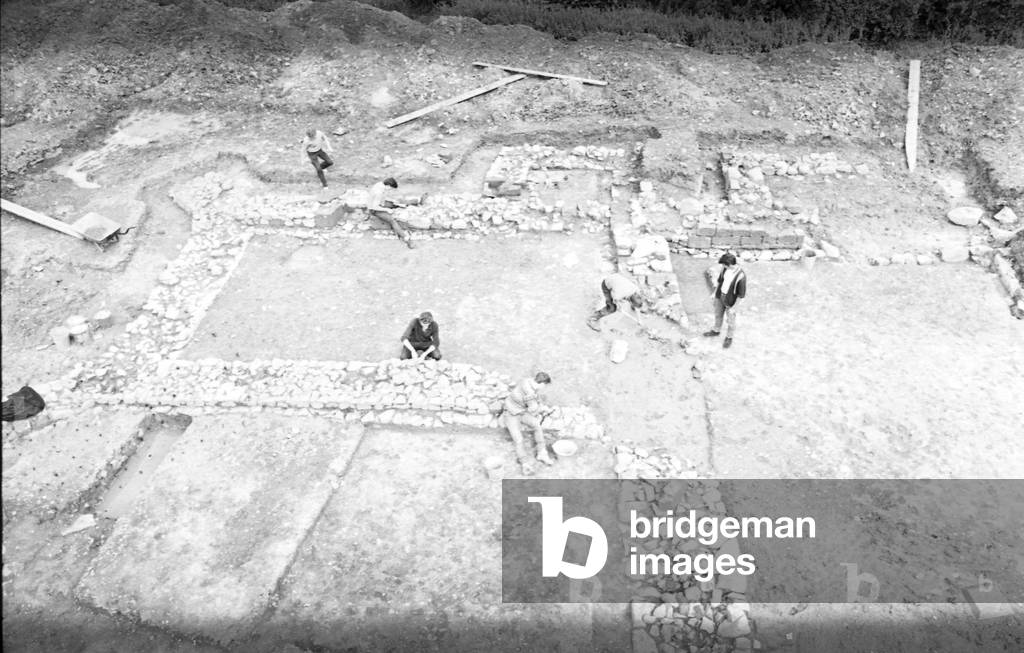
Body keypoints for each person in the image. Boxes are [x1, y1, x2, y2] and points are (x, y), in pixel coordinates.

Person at [501, 372, 553, 475]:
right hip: (511, 414)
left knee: (537, 425)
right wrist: (543, 408)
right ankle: (524, 464)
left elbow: (534, 399)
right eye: (545, 385)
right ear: (542, 384)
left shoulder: (527, 381)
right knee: (519, 440)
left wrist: (538, 404)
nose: (544, 388)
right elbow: (533, 409)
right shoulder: (530, 394)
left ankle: (542, 453)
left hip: (521, 411)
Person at [703, 253, 746, 348]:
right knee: (718, 314)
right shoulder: (725, 269)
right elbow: (720, 281)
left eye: (724, 264)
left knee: (731, 320)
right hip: (720, 295)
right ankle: (716, 330)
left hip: (731, 301)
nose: (722, 266)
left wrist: (734, 307)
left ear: (730, 264)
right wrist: (715, 293)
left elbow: (741, 295)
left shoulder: (741, 277)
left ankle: (729, 337)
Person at [367, 177, 415, 249]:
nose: (391, 190)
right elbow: (374, 206)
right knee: (392, 221)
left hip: (381, 203)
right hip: (374, 209)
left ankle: (413, 202)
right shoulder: (378, 192)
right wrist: (387, 210)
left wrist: (391, 201)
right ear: (388, 186)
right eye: (391, 188)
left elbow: (382, 197)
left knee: (395, 203)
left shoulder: (380, 185)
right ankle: (406, 239)